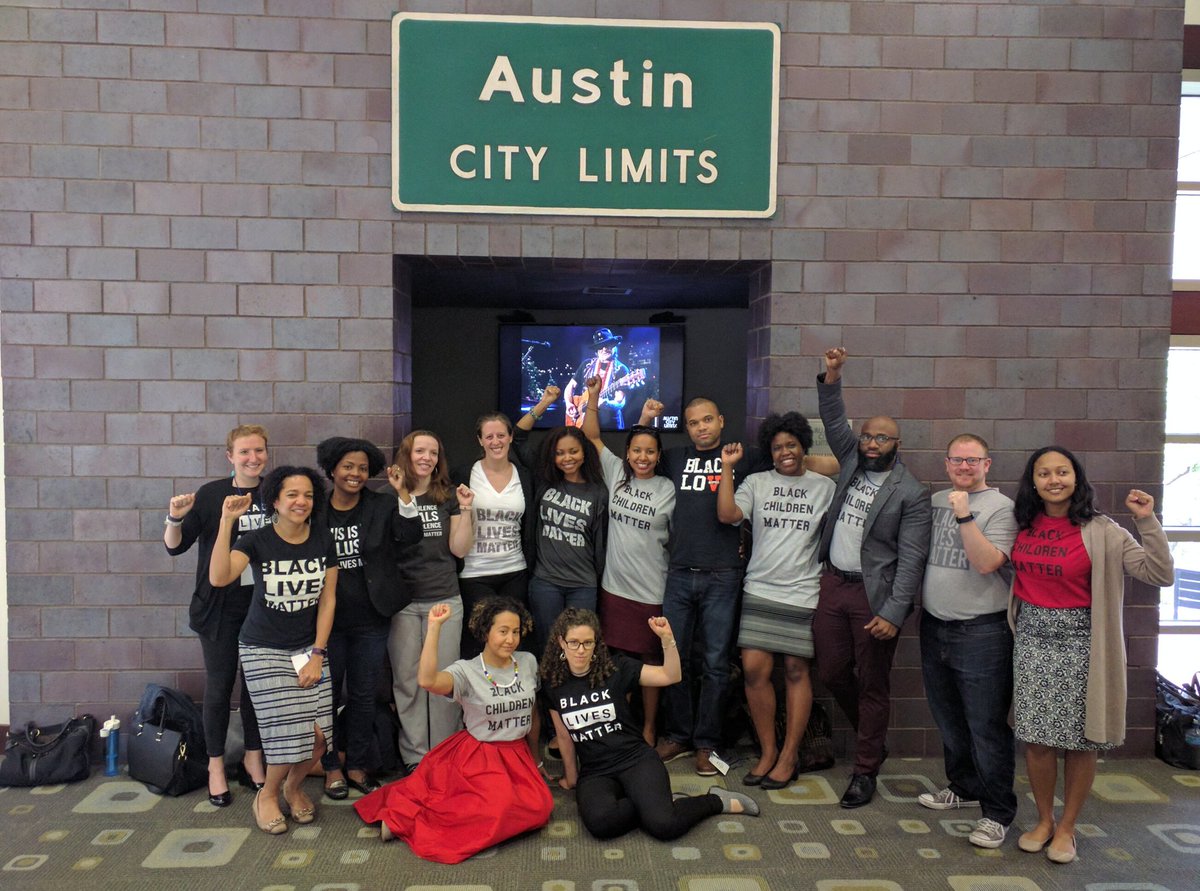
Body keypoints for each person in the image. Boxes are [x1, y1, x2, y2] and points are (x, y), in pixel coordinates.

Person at [1008, 446, 1173, 864]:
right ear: (1033, 482)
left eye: (1062, 472)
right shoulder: (1023, 524)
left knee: (1082, 739)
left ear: (1077, 479)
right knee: (1037, 738)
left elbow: (1159, 573)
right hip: (1031, 639)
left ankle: (1067, 828)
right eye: (1044, 473)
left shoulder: (1103, 530)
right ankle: (1044, 820)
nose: (1054, 480)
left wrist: (1145, 519)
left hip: (1083, 643)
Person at [815, 347, 931, 808]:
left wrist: (893, 612)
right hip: (833, 585)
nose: (871, 444)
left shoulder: (911, 493)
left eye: (881, 438)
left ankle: (866, 770)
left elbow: (912, 559)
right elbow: (832, 416)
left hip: (873, 596)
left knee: (873, 684)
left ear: (896, 444)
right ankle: (870, 737)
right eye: (867, 436)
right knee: (832, 671)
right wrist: (833, 374)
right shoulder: (850, 462)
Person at [355, 597, 552, 862]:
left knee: (541, 808)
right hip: (481, 757)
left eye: (515, 632)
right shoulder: (467, 671)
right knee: (497, 811)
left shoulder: (527, 662)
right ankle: (405, 819)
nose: (511, 639)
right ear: (485, 632)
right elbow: (427, 680)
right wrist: (434, 627)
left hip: (516, 756)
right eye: (503, 631)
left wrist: (535, 760)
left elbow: (532, 714)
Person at [542, 607, 760, 841]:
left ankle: (715, 800)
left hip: (635, 759)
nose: (581, 650)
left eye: (588, 642)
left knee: (665, 826)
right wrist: (571, 776)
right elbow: (564, 735)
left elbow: (671, 676)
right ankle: (655, 804)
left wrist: (667, 640)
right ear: (561, 642)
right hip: (596, 771)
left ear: (596, 643)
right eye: (573, 642)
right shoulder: (554, 682)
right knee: (601, 825)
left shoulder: (616, 668)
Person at [208, 466, 337, 836]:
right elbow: (219, 577)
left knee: (318, 737)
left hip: (307, 648)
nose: (301, 502)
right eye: (292, 495)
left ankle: (292, 787)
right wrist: (226, 522)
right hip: (262, 647)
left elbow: (328, 601)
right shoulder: (257, 540)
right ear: (276, 501)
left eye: (308, 495)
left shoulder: (322, 540)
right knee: (284, 734)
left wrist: (317, 653)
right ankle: (266, 795)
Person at [717, 412, 835, 790]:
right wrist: (726, 470)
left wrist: (811, 464)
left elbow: (845, 463)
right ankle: (768, 750)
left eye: (792, 445)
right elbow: (727, 514)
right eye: (777, 447)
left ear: (803, 446)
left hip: (803, 591)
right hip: (760, 587)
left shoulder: (824, 487)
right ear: (769, 451)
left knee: (797, 672)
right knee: (753, 670)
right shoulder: (756, 482)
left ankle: (788, 756)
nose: (785, 452)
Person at [918, 434, 1018, 849]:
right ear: (946, 464)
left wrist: (965, 516)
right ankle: (963, 786)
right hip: (935, 626)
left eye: (972, 461)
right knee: (950, 719)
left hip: (982, 633)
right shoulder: (938, 499)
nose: (964, 467)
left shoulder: (1002, 508)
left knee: (986, 727)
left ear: (987, 465)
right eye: (957, 460)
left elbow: (987, 562)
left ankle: (997, 813)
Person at [164, 423, 270, 807]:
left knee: (256, 686)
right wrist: (175, 518)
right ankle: (216, 767)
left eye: (258, 451)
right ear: (230, 457)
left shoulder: (274, 494)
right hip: (219, 608)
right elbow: (175, 547)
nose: (252, 458)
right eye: (244, 452)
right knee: (221, 685)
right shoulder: (212, 495)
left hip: (264, 606)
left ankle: (253, 759)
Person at [313, 437, 422, 801]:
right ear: (332, 469)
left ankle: (357, 765)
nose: (355, 474)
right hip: (326, 622)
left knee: (362, 695)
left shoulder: (380, 505)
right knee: (325, 697)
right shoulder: (315, 510)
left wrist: (403, 494)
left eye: (362, 468)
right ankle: (331, 767)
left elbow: (410, 536)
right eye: (348, 466)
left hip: (371, 619)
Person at [581, 375, 676, 745]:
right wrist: (593, 396)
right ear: (628, 453)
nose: (642, 457)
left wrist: (647, 421)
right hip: (614, 588)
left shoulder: (668, 489)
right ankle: (622, 726)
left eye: (650, 452)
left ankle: (650, 728)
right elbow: (590, 435)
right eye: (636, 450)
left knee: (650, 664)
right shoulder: (617, 473)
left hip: (651, 589)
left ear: (658, 455)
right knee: (615, 664)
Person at [388, 430, 475, 769]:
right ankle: (415, 757)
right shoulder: (388, 496)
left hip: (444, 598)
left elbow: (459, 549)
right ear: (406, 455)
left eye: (433, 452)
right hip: (404, 603)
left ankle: (443, 754)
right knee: (408, 682)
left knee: (442, 681)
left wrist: (466, 509)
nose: (426, 458)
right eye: (419, 451)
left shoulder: (448, 496)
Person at [515, 389, 608, 659]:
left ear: (584, 453)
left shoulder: (598, 491)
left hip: (583, 584)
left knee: (580, 651)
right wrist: (545, 403)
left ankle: (574, 699)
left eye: (573, 452)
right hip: (545, 582)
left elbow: (600, 541)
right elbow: (518, 436)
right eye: (560, 453)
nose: (567, 458)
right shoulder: (544, 480)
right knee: (549, 648)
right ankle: (548, 700)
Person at [451, 412, 536, 659]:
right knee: (481, 641)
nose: (495, 441)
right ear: (480, 441)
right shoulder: (464, 474)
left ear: (510, 437)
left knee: (511, 642)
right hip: (475, 573)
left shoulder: (525, 477)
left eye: (501, 435)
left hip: (515, 570)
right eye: (489, 436)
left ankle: (509, 696)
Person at [563, 327, 633, 430]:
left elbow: (620, 402)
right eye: (601, 346)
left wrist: (606, 404)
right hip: (584, 423)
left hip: (609, 425)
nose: (604, 349)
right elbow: (570, 386)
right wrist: (569, 404)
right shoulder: (587, 364)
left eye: (608, 345)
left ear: (614, 346)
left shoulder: (621, 369)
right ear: (596, 349)